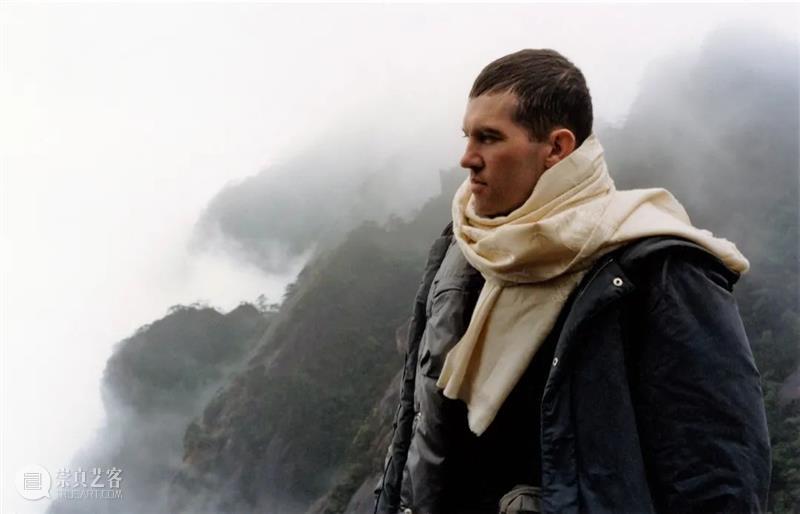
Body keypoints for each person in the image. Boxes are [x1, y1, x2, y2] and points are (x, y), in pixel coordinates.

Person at [373, 49, 771, 514]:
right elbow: (415, 428)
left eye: (489, 138)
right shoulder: (462, 250)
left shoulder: (658, 269)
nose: (467, 159)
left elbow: (716, 477)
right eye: (467, 136)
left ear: (557, 148)